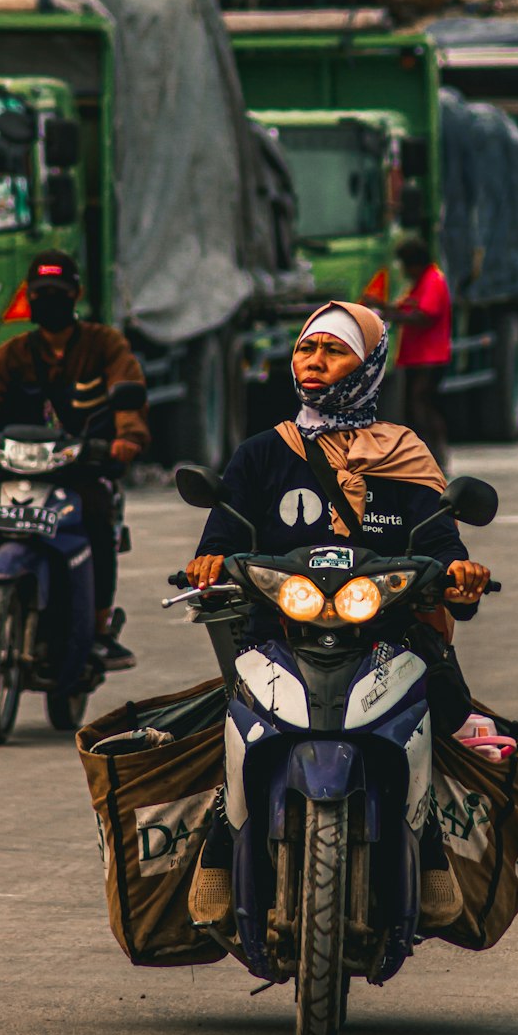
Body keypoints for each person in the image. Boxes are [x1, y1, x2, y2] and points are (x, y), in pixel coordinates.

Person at [186, 299, 490, 929]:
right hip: (282, 632)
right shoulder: (262, 455)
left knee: (434, 703)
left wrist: (460, 570)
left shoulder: (404, 454)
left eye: (334, 350)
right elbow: (222, 534)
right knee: (236, 713)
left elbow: (439, 541)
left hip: (383, 638)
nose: (315, 361)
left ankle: (427, 837)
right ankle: (222, 832)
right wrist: (210, 562)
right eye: (307, 348)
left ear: (369, 364)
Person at [0, 251, 149, 673]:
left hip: (82, 470)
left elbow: (128, 399)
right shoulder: (12, 353)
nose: (48, 300)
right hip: (15, 468)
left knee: (96, 519)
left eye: (57, 293)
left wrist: (125, 440)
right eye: (40, 294)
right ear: (29, 299)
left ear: (75, 295)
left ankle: (100, 628)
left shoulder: (105, 345)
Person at [366, 236, 452, 469]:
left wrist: (392, 316)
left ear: (414, 263)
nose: (403, 271)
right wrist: (383, 307)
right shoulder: (419, 283)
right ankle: (423, 459)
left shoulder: (434, 280)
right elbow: (408, 307)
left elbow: (424, 316)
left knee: (422, 406)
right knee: (413, 410)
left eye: (405, 265)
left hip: (430, 357)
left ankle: (436, 458)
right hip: (416, 358)